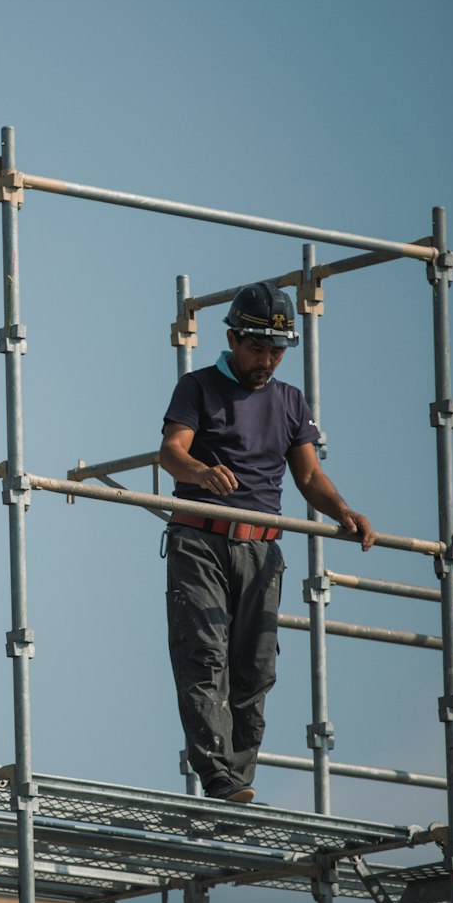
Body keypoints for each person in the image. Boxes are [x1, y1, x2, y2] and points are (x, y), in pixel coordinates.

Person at [158, 281, 374, 804]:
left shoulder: (290, 401)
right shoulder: (198, 387)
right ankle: (219, 779)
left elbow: (309, 477)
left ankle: (238, 778)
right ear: (232, 339)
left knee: (255, 666)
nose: (268, 360)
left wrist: (342, 510)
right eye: (257, 347)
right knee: (204, 655)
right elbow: (169, 453)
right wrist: (201, 472)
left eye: (277, 350)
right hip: (200, 541)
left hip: (261, 549)